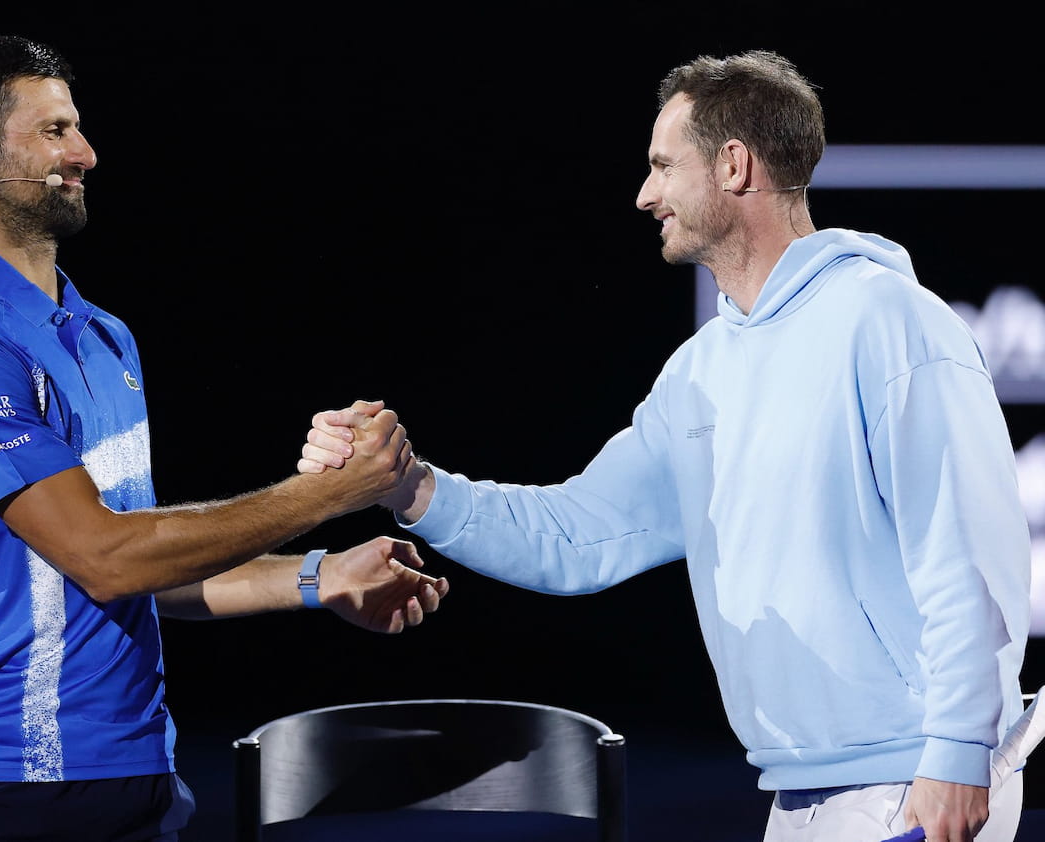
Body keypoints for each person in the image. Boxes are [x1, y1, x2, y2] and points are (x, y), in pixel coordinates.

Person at [299, 50, 1032, 842]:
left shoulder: (889, 319)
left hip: (915, 782)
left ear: (734, 165)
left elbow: (969, 551)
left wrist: (957, 750)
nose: (644, 194)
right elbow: (578, 536)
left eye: (661, 166)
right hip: (801, 795)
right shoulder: (701, 372)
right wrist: (408, 487)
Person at [0, 34, 449, 842]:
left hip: (143, 782)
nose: (85, 152)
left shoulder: (105, 338)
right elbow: (108, 560)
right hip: (4, 791)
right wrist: (326, 494)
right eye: (53, 131)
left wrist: (317, 578)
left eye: (76, 126)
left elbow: (149, 566)